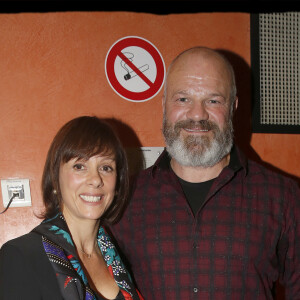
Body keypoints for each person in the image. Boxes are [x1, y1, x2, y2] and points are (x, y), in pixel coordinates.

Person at [111, 47, 300, 299]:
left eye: (213, 100)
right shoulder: (124, 199)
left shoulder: (283, 197)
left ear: (233, 106)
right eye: (182, 99)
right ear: (164, 105)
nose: (197, 114)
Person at [0, 116, 143, 300]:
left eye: (106, 167)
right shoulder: (21, 256)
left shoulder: (120, 257)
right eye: (80, 166)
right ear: (55, 178)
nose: (96, 179)